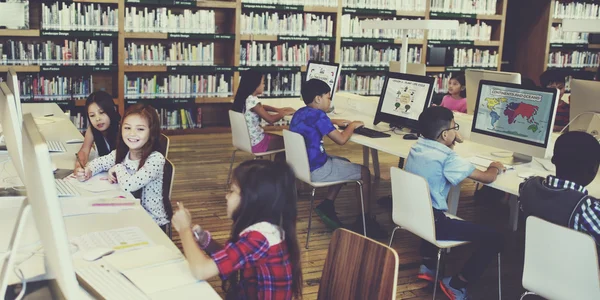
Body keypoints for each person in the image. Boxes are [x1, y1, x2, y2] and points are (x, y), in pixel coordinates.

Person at [404, 106, 505, 300]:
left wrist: (450, 139)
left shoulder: (418, 146)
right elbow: (486, 178)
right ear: (444, 134)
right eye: (454, 127)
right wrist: (495, 167)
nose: (456, 131)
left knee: (432, 202)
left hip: (413, 215)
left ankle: (428, 265)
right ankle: (457, 283)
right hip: (434, 223)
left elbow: (441, 154)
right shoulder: (448, 158)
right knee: (496, 238)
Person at [171, 160, 302, 300]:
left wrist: (184, 229)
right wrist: (207, 242)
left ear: (252, 199)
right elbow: (232, 259)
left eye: (232, 191)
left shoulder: (259, 238)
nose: (227, 196)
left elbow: (201, 270)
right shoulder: (267, 230)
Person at [289, 79, 386, 238]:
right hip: (317, 170)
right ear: (318, 99)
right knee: (364, 173)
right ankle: (364, 221)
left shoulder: (300, 112)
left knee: (345, 163)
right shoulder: (320, 116)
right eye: (328, 97)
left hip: (301, 167)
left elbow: (315, 121)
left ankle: (327, 204)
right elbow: (341, 140)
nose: (330, 101)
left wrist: (333, 121)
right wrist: (352, 125)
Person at [76, 104, 169, 230]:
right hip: (129, 212)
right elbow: (101, 162)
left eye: (140, 129)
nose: (132, 134)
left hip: (151, 223)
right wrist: (88, 170)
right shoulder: (124, 152)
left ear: (151, 132)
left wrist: (117, 168)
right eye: (127, 128)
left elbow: (129, 185)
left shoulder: (155, 159)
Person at [520, 131, 600, 247]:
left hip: (535, 259)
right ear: (594, 168)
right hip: (577, 264)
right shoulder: (586, 208)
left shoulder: (527, 186)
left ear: (553, 160)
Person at [232, 69, 295, 155]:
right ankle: (278, 167)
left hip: (246, 141)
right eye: (262, 83)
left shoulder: (244, 98)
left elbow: (260, 107)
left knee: (281, 139)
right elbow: (271, 120)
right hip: (257, 144)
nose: (264, 85)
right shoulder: (253, 101)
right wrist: (283, 113)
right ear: (254, 85)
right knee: (290, 142)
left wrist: (277, 110)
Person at [75, 91, 121, 170]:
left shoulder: (123, 128)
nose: (97, 119)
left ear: (113, 110)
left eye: (101, 112)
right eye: (92, 115)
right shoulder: (92, 129)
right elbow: (84, 151)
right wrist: (79, 165)